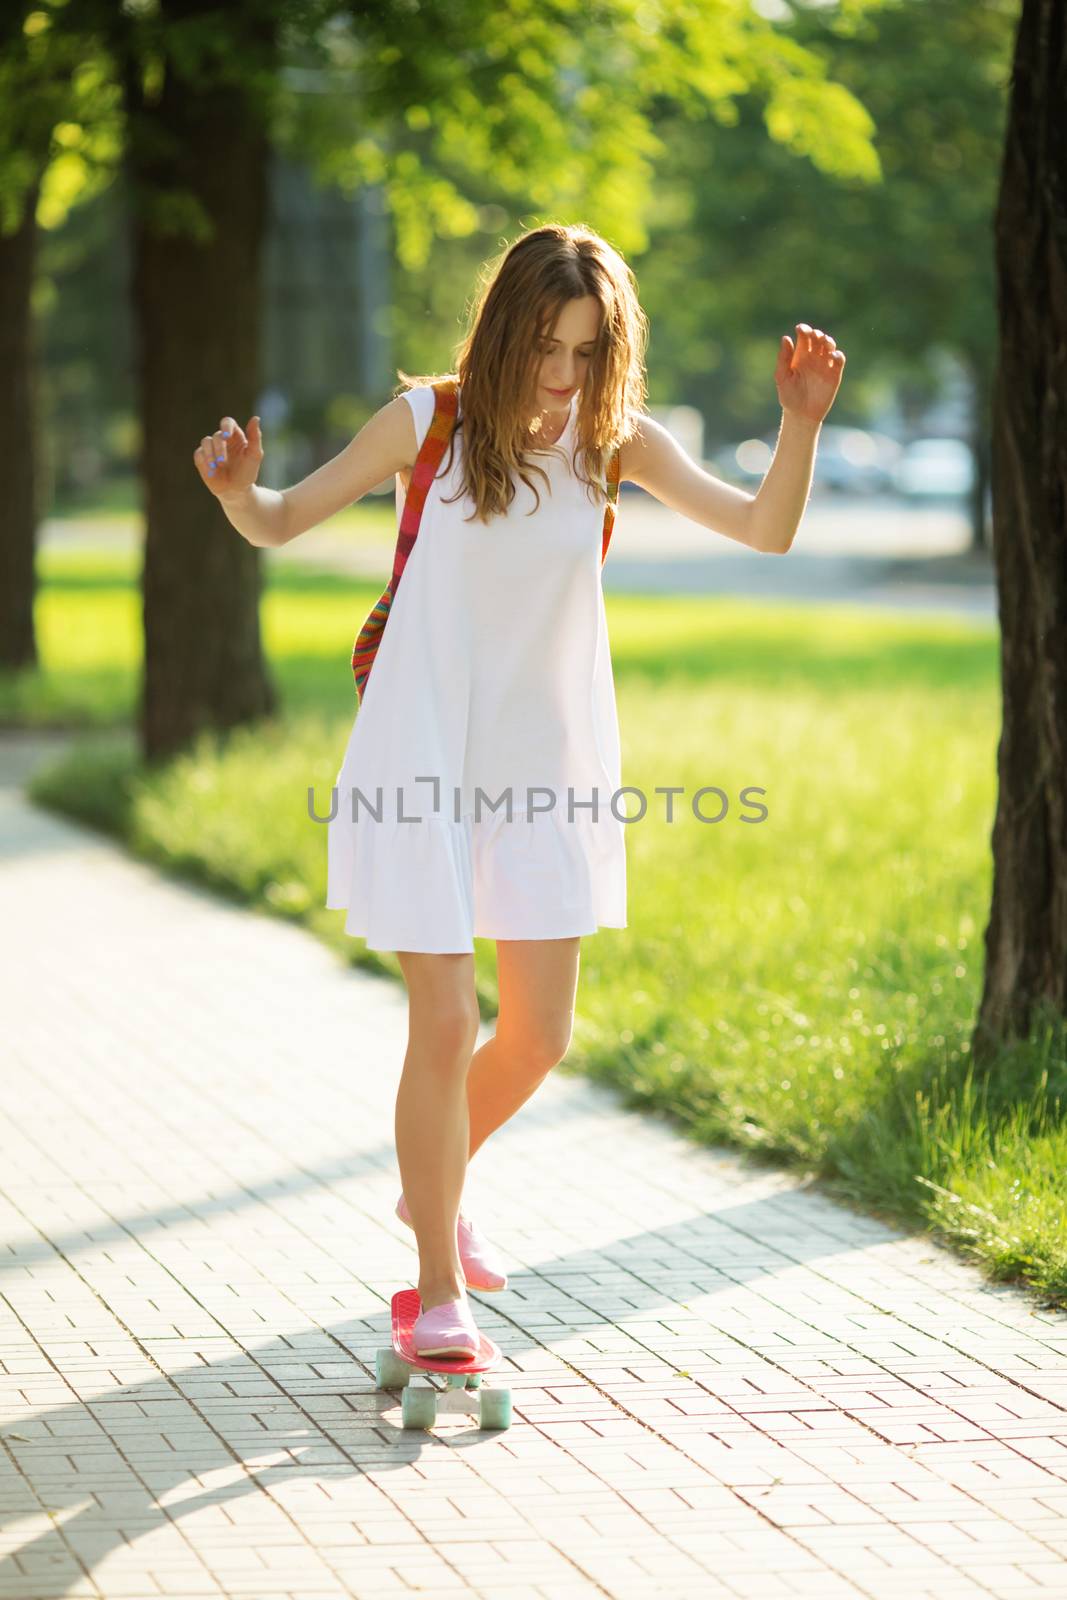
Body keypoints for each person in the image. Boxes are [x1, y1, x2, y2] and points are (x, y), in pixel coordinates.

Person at [193, 221, 843, 1361]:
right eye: (545, 346)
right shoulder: (429, 422)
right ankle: (433, 1288)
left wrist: (796, 425)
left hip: (544, 766)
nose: (560, 376)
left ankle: (428, 1182)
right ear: (502, 331)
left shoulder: (613, 444)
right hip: (422, 752)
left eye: (586, 353)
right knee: (444, 1022)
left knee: (538, 1034)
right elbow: (283, 517)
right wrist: (240, 491)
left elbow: (764, 528)